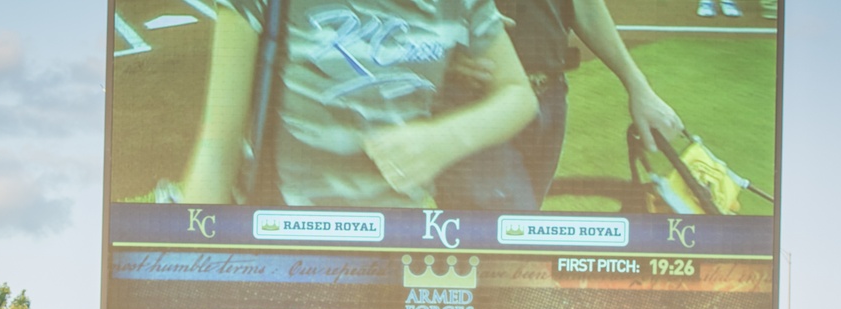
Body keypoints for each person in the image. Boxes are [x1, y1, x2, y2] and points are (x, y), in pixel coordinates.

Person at [178, 0, 537, 209]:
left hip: (394, 248)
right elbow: (216, 149)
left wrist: (445, 140)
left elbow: (518, 94)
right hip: (283, 242)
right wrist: (184, 270)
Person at [433, 0, 685, 211]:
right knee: (507, 243)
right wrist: (434, 45)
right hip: (472, 101)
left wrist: (638, 85)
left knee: (512, 234)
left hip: (549, 98)